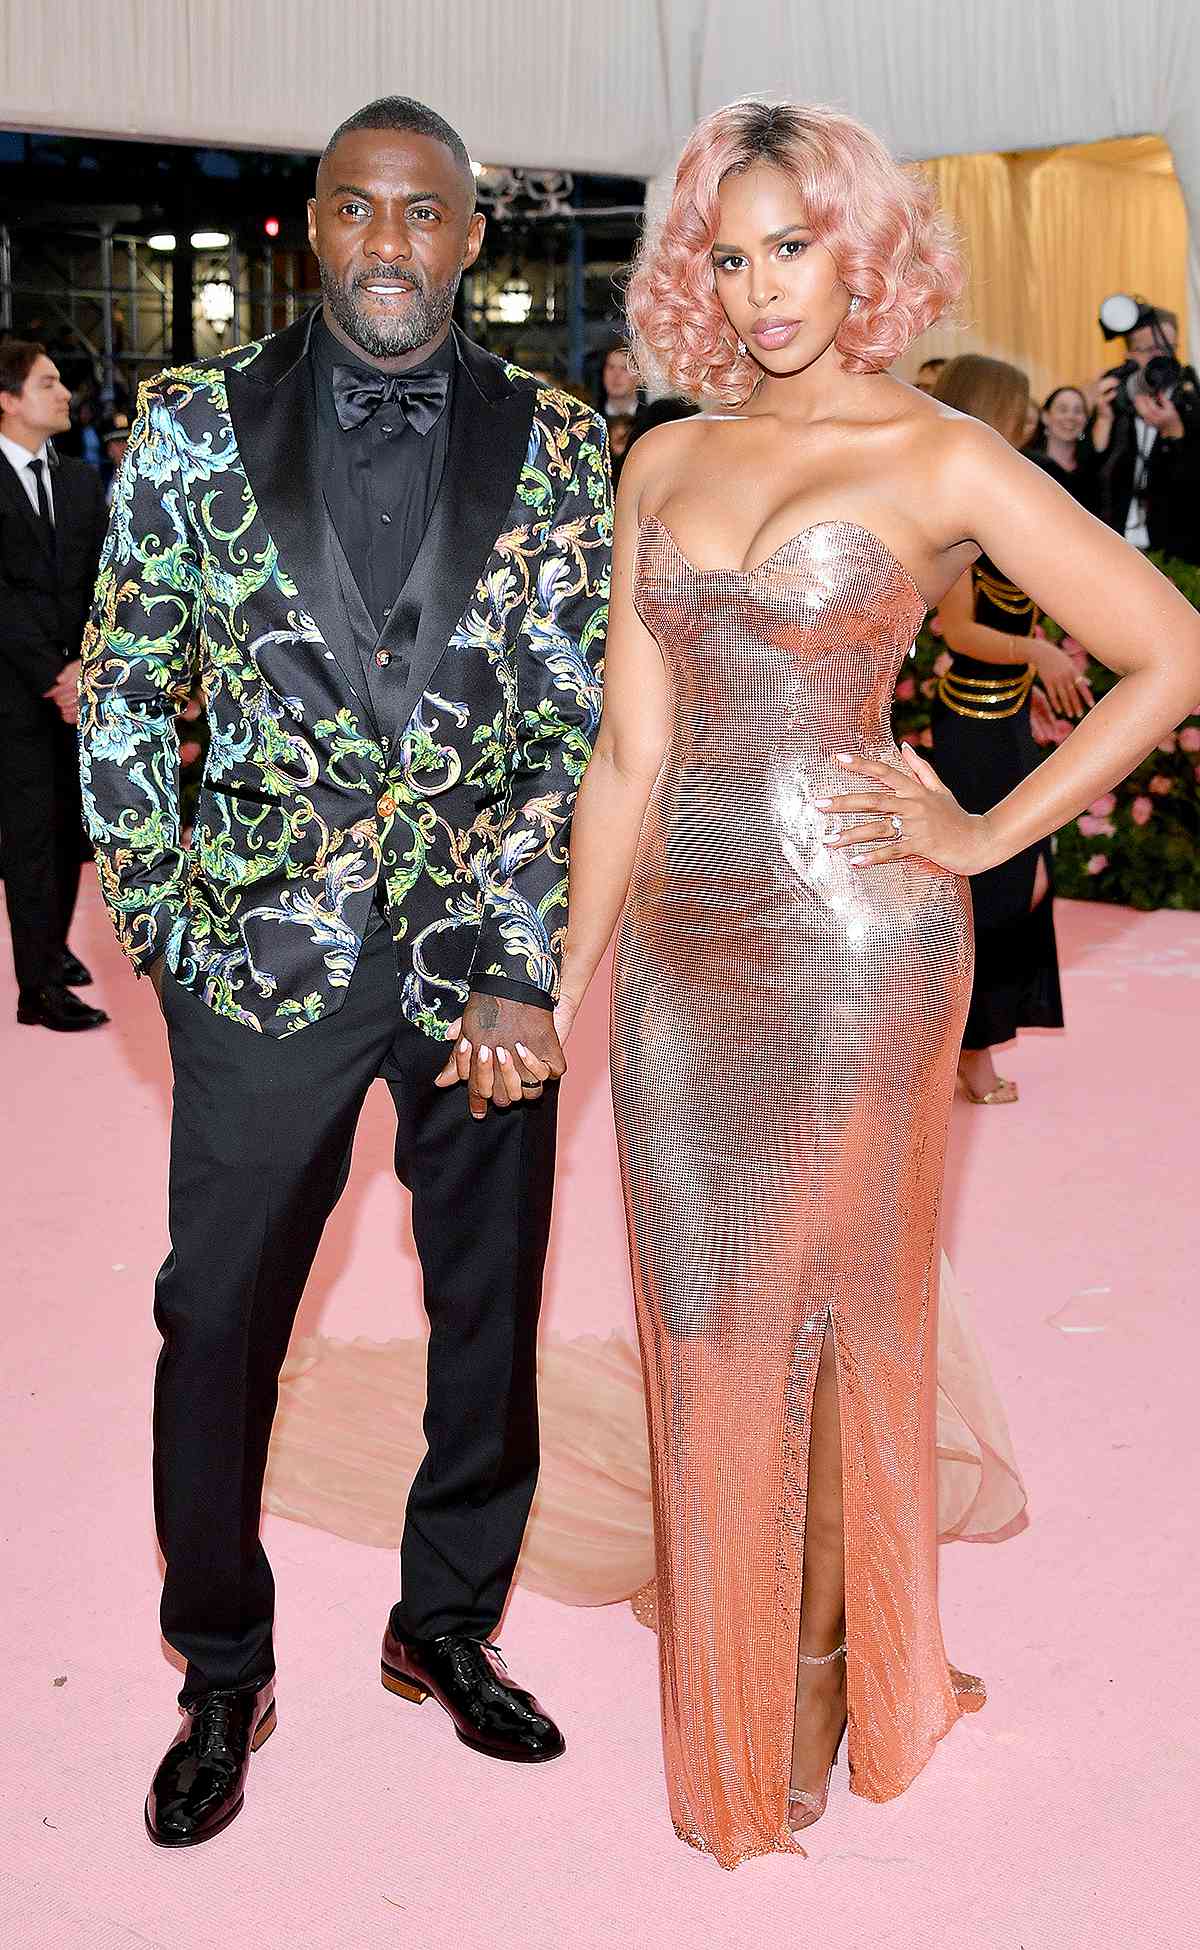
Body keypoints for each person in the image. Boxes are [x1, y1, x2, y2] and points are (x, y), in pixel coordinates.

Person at [550, 99, 1200, 1868]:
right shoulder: (663, 460)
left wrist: (992, 840)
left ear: (863, 250)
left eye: (796, 245)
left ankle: (826, 1669)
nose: (765, 288)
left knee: (830, 1314)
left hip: (857, 939)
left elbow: (1168, 649)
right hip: (686, 949)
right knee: (705, 1318)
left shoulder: (939, 456)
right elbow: (626, 756)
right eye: (734, 253)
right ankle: (745, 1629)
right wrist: (552, 983)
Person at [79, 95, 611, 1848]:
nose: (391, 242)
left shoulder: (556, 438)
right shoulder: (182, 430)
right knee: (214, 1318)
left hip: (480, 971)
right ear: (314, 230)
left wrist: (525, 961)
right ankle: (221, 1663)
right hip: (257, 958)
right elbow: (125, 684)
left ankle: (443, 1620)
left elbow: (565, 723)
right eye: (357, 212)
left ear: (472, 235)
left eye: (425, 213)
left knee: (488, 1310)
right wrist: (166, 919)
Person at [930, 355, 1090, 1105]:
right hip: (972, 725)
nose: (1028, 422)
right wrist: (1037, 648)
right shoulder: (951, 506)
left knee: (1023, 883)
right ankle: (965, 1050)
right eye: (1020, 410)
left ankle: (965, 1043)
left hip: (1010, 722)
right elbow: (957, 627)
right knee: (1001, 889)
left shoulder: (1007, 495)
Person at [0, 339, 109, 1030]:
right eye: (46, 383)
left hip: (76, 691)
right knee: (32, 839)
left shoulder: (77, 480)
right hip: (13, 691)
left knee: (71, 830)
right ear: (7, 400)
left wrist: (87, 670)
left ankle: (52, 946)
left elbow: (105, 581)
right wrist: (52, 674)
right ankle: (35, 991)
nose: (64, 393)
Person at [1090, 305, 1200, 564]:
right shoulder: (1113, 399)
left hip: (1175, 559)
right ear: (1128, 355)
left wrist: (1174, 436)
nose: (1162, 357)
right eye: (1151, 349)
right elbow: (1085, 482)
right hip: (1111, 550)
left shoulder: (1191, 403)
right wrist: (1102, 421)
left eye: (1169, 348)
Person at [1028, 384, 1100, 512]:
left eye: (1078, 411)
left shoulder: (1093, 470)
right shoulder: (1028, 464)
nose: (1070, 417)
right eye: (1062, 410)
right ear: (1045, 417)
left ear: (1086, 420)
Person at [598, 339, 641, 419]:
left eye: (624, 368)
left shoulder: (652, 421)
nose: (616, 375)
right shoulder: (589, 421)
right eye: (611, 367)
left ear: (639, 377)